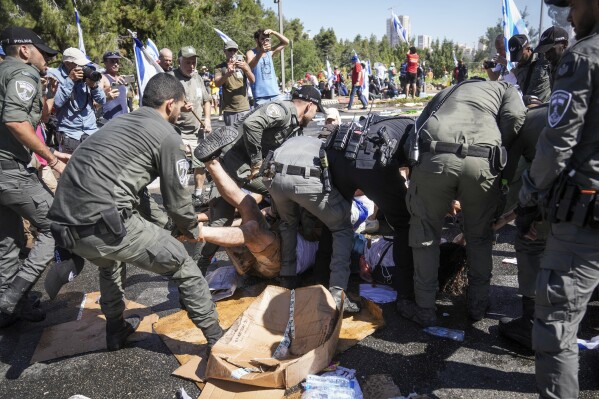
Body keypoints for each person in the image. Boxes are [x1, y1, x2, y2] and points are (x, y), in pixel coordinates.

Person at [47, 73, 223, 351]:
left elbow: (140, 196)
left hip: (65, 225)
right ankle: (218, 340)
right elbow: (177, 201)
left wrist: (165, 226)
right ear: (169, 104)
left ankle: (116, 330)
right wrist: (187, 230)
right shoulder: (168, 136)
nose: (181, 111)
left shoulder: (120, 124)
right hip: (103, 221)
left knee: (111, 263)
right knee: (183, 264)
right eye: (180, 105)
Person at [518, 0, 599, 397]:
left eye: (574, 5)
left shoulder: (584, 57)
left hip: (585, 215)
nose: (570, 17)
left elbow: (557, 144)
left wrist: (529, 193)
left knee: (557, 329)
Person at [399, 80, 527, 327]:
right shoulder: (505, 88)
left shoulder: (448, 91)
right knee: (479, 237)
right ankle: (477, 306)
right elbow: (515, 116)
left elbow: (418, 127)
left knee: (425, 233)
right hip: (483, 160)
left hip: (434, 156)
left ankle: (424, 308)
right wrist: (498, 143)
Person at [193, 85, 324, 272]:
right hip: (232, 166)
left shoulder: (295, 127)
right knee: (223, 221)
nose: (314, 117)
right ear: (310, 106)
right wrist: (257, 161)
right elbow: (251, 124)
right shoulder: (283, 111)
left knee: (278, 191)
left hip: (244, 172)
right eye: (316, 111)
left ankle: (274, 229)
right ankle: (199, 265)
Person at [0, 26, 68, 327]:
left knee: (8, 241)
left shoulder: (7, 73)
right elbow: (15, 121)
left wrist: (47, 94)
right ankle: (12, 296)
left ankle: (10, 309)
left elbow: (35, 119)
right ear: (25, 50)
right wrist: (52, 159)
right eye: (43, 52)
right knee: (56, 227)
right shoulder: (21, 72)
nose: (48, 59)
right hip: (11, 171)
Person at [169, 46, 212, 211]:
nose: (191, 65)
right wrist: (180, 108)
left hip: (197, 131)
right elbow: (165, 105)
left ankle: (198, 194)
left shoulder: (198, 78)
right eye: (187, 62)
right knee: (179, 167)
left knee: (199, 164)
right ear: (179, 61)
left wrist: (207, 119)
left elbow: (207, 101)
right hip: (178, 131)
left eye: (193, 62)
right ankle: (178, 199)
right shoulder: (171, 78)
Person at [49, 47, 106, 154]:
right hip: (70, 134)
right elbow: (56, 103)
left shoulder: (85, 75)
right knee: (71, 169)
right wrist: (70, 80)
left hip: (91, 132)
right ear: (67, 63)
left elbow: (102, 101)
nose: (82, 67)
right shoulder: (54, 75)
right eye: (78, 64)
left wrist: (93, 86)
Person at [246, 28, 289, 105]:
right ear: (256, 40)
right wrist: (260, 52)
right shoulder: (251, 53)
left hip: (275, 94)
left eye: (267, 39)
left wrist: (274, 32)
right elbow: (248, 68)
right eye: (262, 39)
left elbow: (286, 42)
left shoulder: (270, 52)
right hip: (260, 96)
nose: (265, 41)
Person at [508, 34, 552, 103]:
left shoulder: (543, 59)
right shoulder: (518, 69)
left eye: (520, 55)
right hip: (528, 109)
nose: (518, 60)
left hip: (545, 108)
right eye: (515, 57)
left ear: (528, 49)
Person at [100, 51, 128, 121]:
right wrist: (115, 84)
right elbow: (98, 96)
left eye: (117, 62)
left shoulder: (119, 78)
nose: (116, 64)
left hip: (124, 117)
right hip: (110, 119)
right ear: (105, 63)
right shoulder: (102, 77)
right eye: (112, 61)